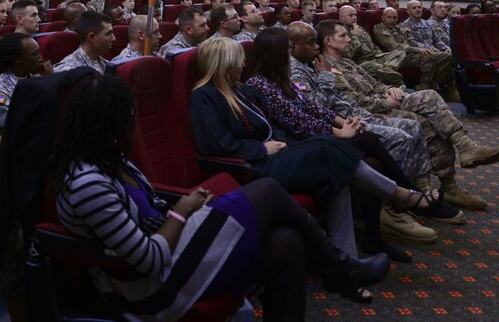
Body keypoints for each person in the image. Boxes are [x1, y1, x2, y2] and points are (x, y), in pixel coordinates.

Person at [52, 75, 390, 321]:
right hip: (148, 288)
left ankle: (339, 270)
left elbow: (151, 211)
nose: (132, 124)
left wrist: (184, 214)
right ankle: (341, 270)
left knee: (286, 242)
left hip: (169, 244)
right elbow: (147, 259)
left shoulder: (111, 161)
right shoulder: (88, 182)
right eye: (126, 117)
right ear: (104, 125)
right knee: (268, 191)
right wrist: (182, 213)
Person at [189, 37, 437, 300]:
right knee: (330, 150)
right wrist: (262, 149)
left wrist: (288, 143)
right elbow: (214, 144)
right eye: (237, 63)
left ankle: (346, 267)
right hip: (254, 167)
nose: (242, 66)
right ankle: (400, 194)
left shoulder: (241, 90)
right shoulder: (204, 96)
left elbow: (278, 123)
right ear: (224, 65)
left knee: (335, 171)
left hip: (278, 154)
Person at [247, 28, 461, 261]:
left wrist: (343, 123)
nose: (290, 54)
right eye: (286, 50)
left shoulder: (279, 78)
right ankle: (410, 197)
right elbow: (297, 122)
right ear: (274, 54)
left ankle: (380, 229)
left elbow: (312, 109)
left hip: (315, 135)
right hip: (297, 143)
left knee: (373, 157)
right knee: (370, 142)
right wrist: (339, 133)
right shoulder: (261, 83)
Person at [316, 20, 499, 208]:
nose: (349, 39)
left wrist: (388, 89)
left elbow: (373, 83)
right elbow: (352, 100)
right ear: (329, 41)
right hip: (370, 110)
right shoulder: (327, 68)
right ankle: (431, 188)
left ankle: (465, 148)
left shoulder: (347, 61)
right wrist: (385, 102)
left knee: (430, 97)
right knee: (424, 122)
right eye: (343, 35)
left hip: (385, 100)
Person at [0, 32, 50, 130]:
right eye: (34, 54)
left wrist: (52, 79)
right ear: (18, 58)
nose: (40, 59)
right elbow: (10, 128)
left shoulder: (37, 78)